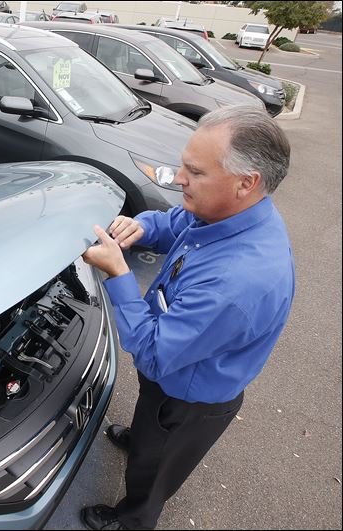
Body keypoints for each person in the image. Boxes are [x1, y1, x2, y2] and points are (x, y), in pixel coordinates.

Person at [80, 105, 295, 530]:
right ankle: (144, 438)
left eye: (195, 172)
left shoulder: (237, 282)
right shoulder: (227, 212)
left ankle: (132, 518)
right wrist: (140, 227)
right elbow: (175, 221)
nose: (179, 179)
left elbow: (156, 354)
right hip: (173, 376)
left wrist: (119, 273)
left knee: (153, 471)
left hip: (189, 398)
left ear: (245, 183)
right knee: (149, 429)